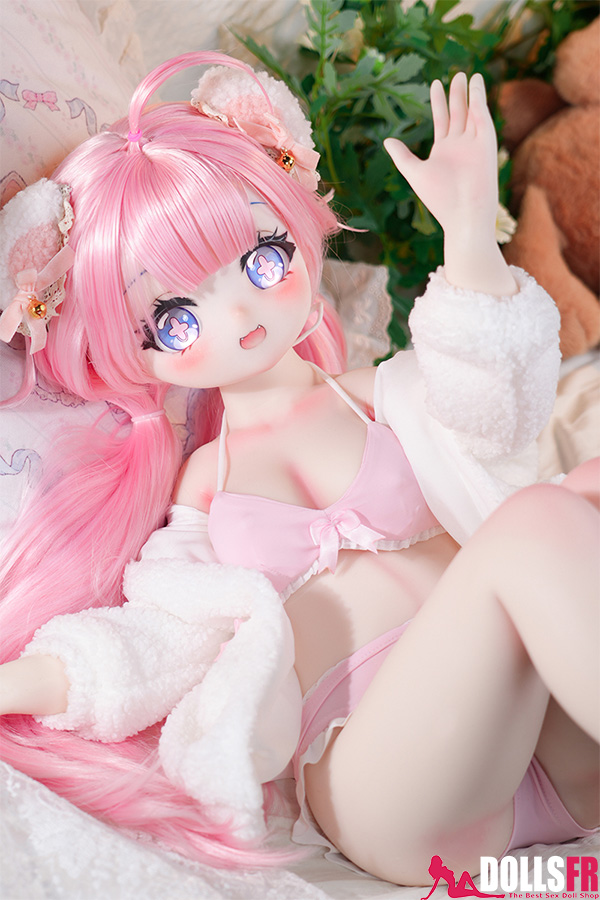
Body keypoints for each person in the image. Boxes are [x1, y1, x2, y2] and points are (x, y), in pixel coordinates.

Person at [0, 51, 597, 886]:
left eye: (262, 260)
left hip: (536, 737)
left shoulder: (387, 394)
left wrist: (469, 234)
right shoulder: (204, 487)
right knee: (536, 520)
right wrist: (15, 684)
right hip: (392, 790)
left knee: (571, 495)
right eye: (174, 319)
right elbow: (154, 643)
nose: (239, 313)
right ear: (130, 350)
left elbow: (495, 394)